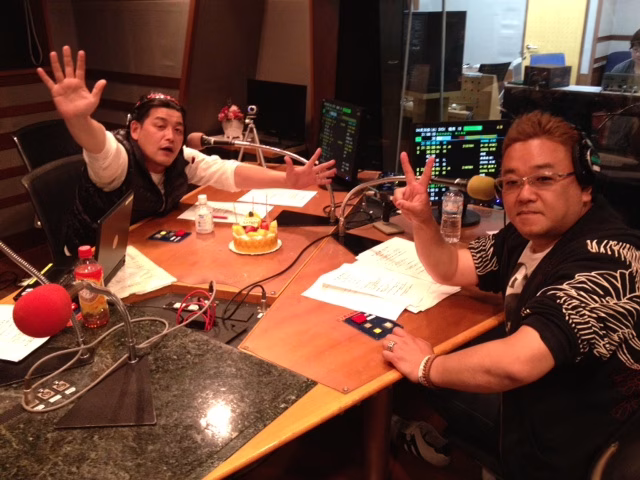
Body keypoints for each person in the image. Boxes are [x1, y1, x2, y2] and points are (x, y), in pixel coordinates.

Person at [384, 111, 640, 479]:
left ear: (585, 185)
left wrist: (427, 367)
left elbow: (519, 362)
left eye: (544, 179)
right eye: (512, 182)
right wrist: (423, 219)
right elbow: (450, 268)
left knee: (423, 379)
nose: (525, 194)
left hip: (566, 446)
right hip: (542, 402)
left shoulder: (608, 259)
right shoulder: (527, 234)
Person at [36, 46, 336, 251]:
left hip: (144, 246)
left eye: (178, 129)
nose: (171, 136)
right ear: (135, 129)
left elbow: (227, 172)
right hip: (91, 263)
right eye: (160, 126)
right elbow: (98, 144)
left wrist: (287, 180)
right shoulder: (117, 162)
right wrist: (79, 119)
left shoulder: (180, 159)